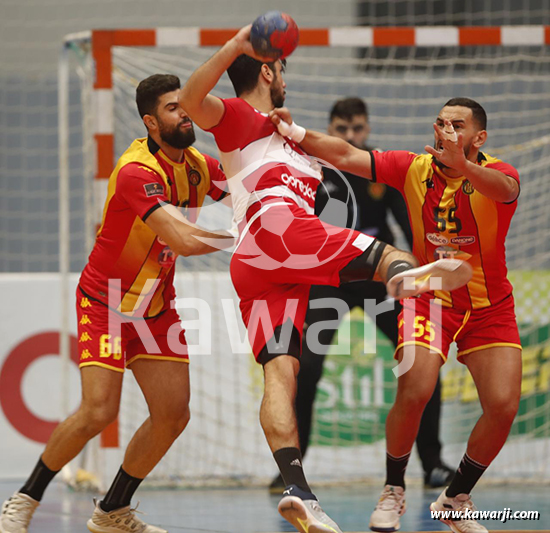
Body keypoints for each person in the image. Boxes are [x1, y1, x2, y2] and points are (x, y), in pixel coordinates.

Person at [180, 25, 471, 533]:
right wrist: (238, 45)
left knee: (281, 373)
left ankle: (298, 490)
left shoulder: (288, 139)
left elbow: (327, 158)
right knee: (392, 255)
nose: (285, 81)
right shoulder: (237, 115)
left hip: (261, 263)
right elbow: (190, 98)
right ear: (267, 70)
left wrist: (295, 136)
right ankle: (405, 278)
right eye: (281, 70)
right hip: (281, 232)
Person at [270, 97, 521, 533]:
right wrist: (294, 133)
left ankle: (456, 497)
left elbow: (504, 190)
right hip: (428, 298)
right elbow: (346, 154)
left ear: (479, 138)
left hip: (488, 305)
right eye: (441, 122)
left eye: (457, 125)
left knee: (502, 406)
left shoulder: (499, 173)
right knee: (416, 386)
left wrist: (463, 165)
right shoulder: (410, 167)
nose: (445, 130)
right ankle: (393, 489)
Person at [0, 74, 232, 533]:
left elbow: (247, 191)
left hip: (156, 306)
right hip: (106, 301)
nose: (185, 113)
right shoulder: (136, 171)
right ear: (150, 121)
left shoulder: (199, 166)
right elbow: (182, 239)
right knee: (98, 411)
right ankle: (24, 499)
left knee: (173, 414)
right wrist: (246, 237)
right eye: (172, 108)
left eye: (185, 104)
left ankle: (112, 510)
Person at [270, 96, 454, 493]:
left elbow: (407, 222)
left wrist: (426, 266)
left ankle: (433, 463)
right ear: (332, 129)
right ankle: (293, 472)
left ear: (366, 129)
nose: (350, 135)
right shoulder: (313, 168)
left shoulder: (380, 168)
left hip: (379, 280)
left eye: (357, 129)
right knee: (307, 370)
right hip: (328, 282)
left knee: (422, 363)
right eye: (342, 129)